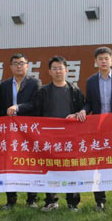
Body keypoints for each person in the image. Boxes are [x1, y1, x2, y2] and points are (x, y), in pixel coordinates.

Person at [76, 47, 112, 213]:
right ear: (96, 62)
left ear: (111, 60)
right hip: (99, 129)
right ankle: (100, 200)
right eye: (100, 59)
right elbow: (89, 103)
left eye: (106, 58)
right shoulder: (91, 81)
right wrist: (84, 110)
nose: (104, 61)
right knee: (99, 165)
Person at [35, 56, 85, 211]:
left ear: (66, 70)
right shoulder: (43, 91)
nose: (58, 71)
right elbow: (37, 113)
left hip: (70, 136)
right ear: (50, 72)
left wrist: (76, 114)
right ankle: (51, 200)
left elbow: (82, 110)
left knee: (72, 168)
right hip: (50, 136)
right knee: (50, 168)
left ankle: (73, 202)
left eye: (60, 68)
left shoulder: (75, 91)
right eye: (54, 68)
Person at [0, 53, 41, 209]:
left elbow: (35, 104)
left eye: (21, 63)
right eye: (15, 63)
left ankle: (32, 199)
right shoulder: (4, 85)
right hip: (9, 130)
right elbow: (0, 106)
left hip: (28, 130)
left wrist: (18, 107)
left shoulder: (35, 83)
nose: (19, 66)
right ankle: (11, 199)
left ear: (27, 65)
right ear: (10, 67)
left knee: (30, 163)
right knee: (10, 163)